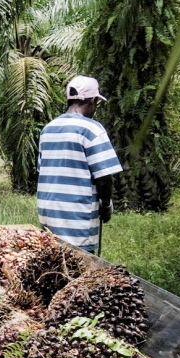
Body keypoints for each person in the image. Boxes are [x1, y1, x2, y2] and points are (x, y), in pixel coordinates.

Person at [36, 76, 123, 252]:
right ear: (91, 101)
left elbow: (42, 170)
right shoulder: (92, 129)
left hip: (48, 216)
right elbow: (104, 177)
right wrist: (106, 205)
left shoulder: (48, 129)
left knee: (52, 261)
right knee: (80, 267)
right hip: (77, 219)